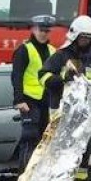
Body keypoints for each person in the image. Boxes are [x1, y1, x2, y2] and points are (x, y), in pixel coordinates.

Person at [11, 15, 57, 171]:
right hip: (29, 100)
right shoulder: (25, 49)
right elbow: (16, 76)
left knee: (45, 140)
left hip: (47, 101)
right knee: (30, 138)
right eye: (40, 29)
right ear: (33, 29)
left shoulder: (52, 51)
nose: (43, 33)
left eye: (46, 30)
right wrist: (18, 100)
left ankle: (39, 177)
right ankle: (25, 178)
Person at [39, 15, 91, 109]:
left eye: (89, 38)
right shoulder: (61, 55)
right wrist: (62, 78)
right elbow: (42, 75)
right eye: (83, 37)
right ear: (75, 36)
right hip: (61, 109)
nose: (86, 40)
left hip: (84, 110)